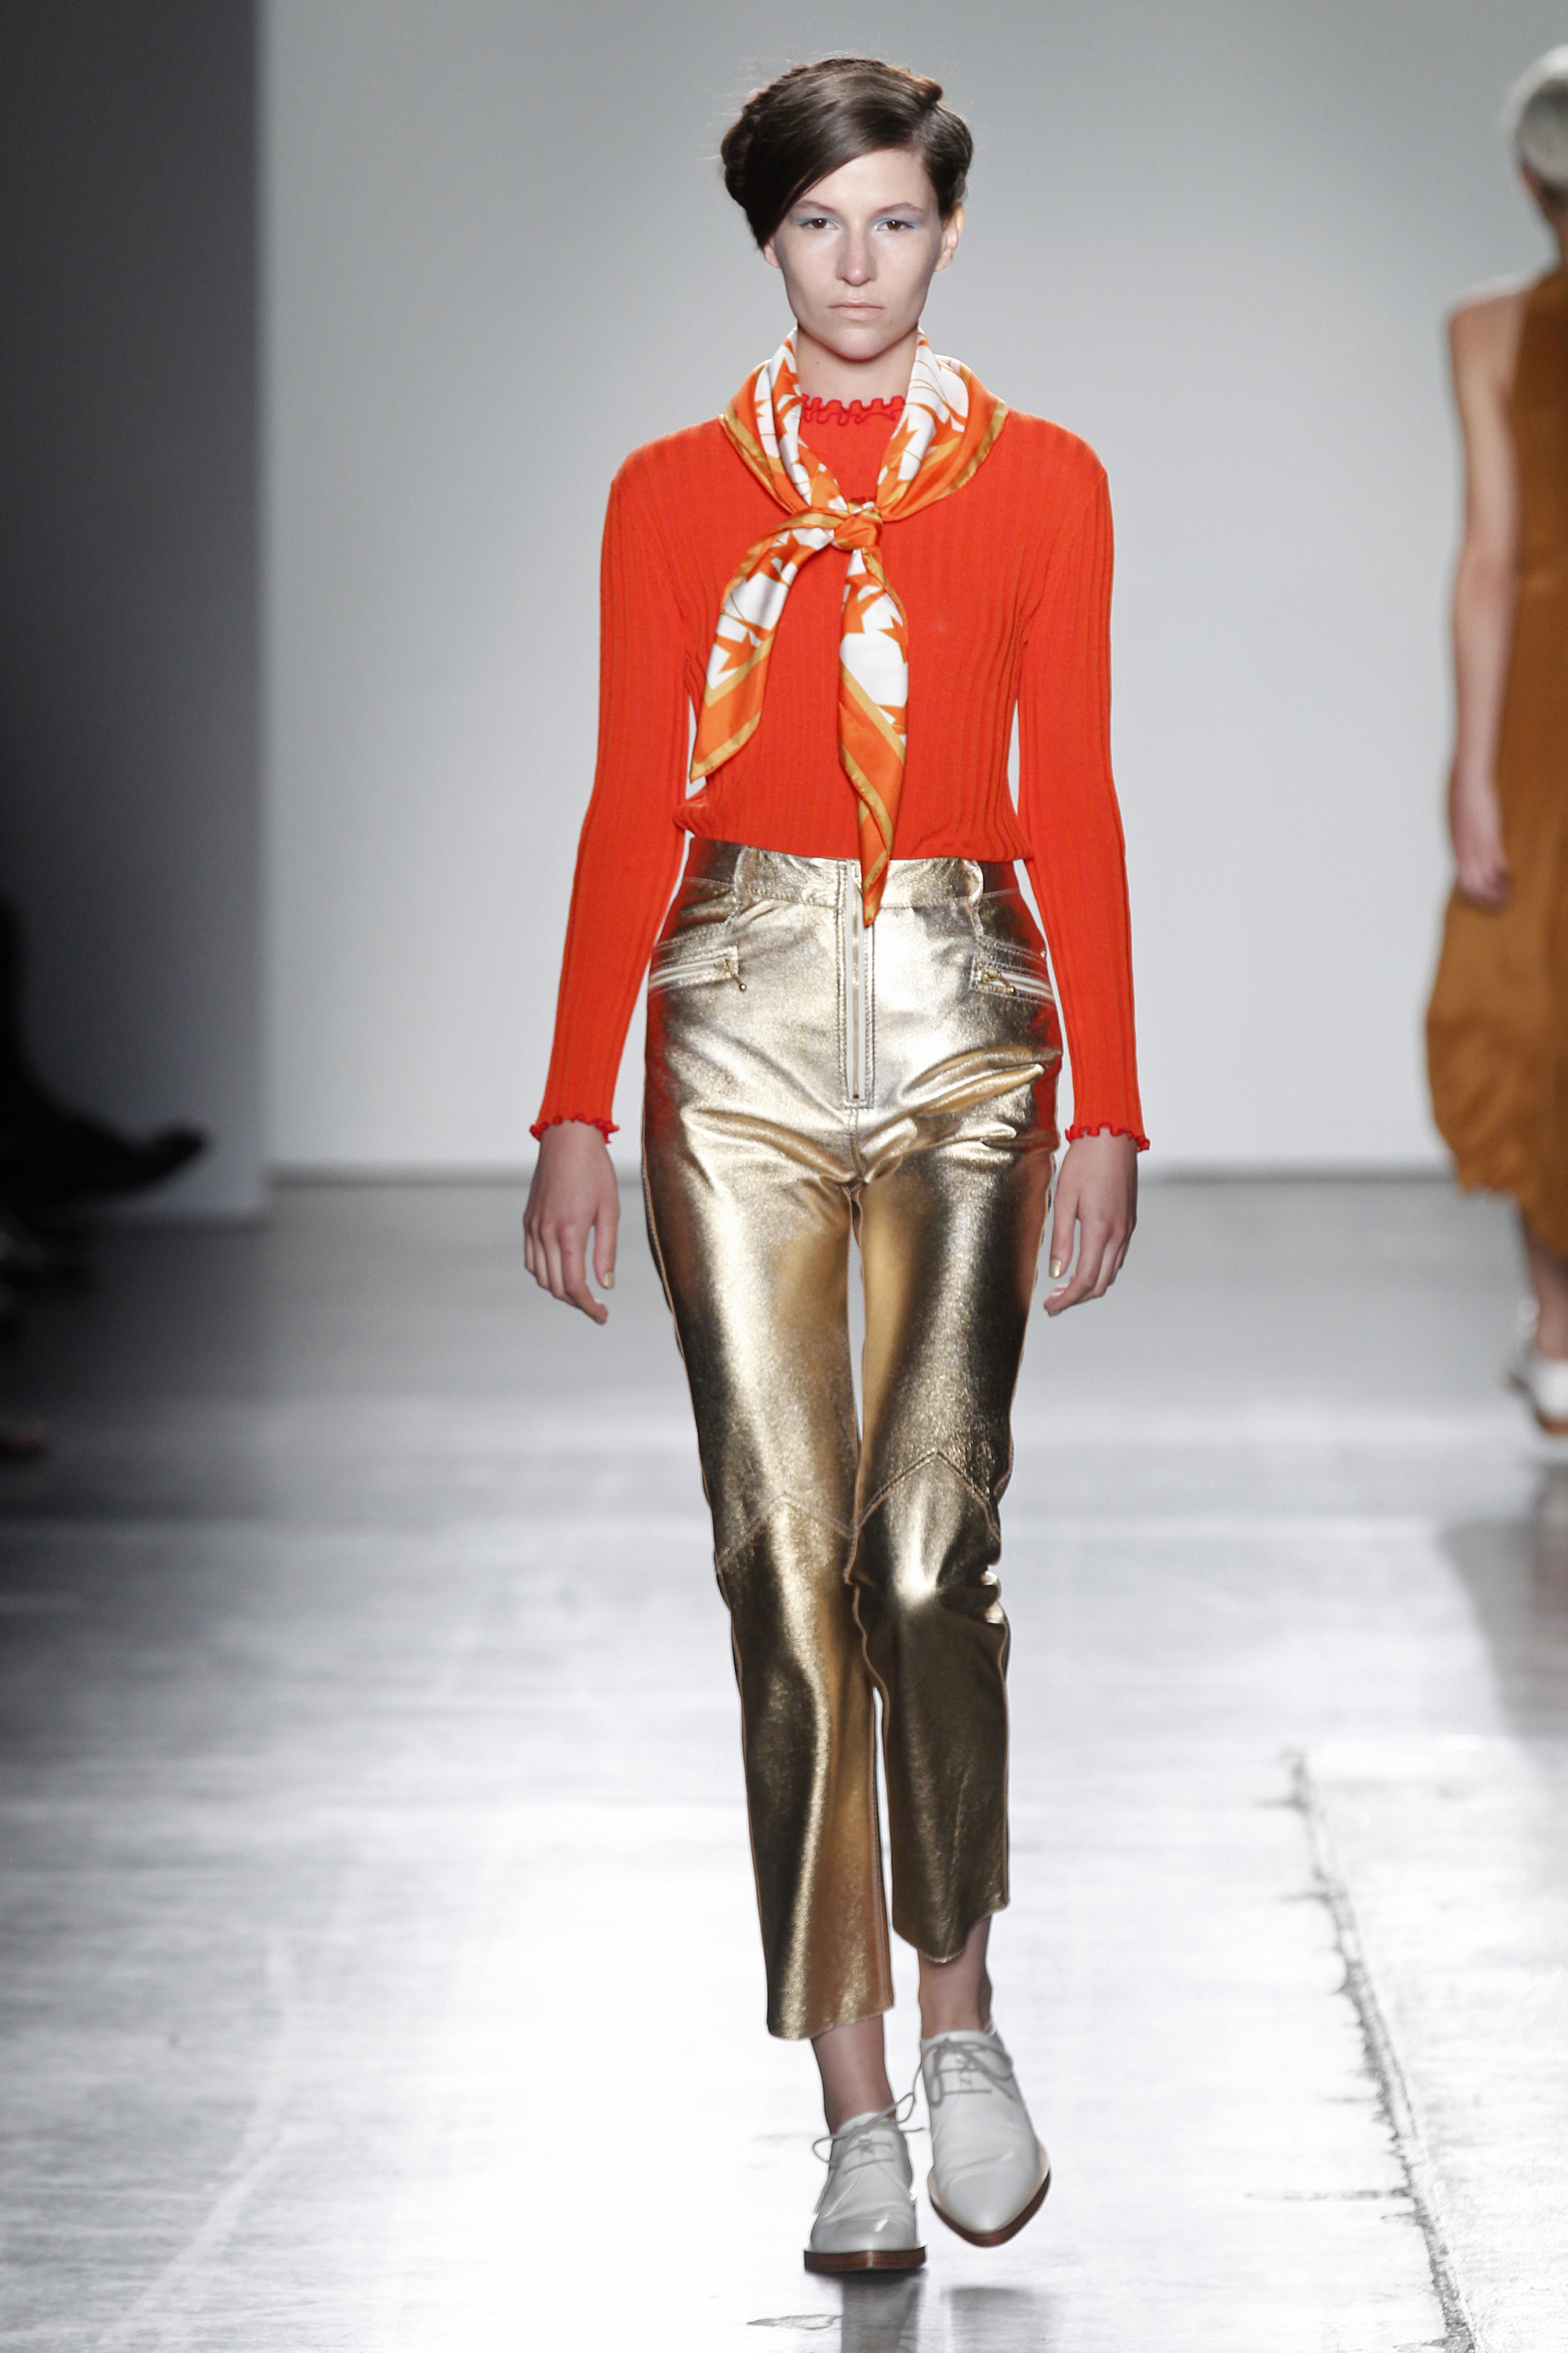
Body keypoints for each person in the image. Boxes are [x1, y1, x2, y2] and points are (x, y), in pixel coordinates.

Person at [524, 56, 1144, 2271]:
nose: (857, 263)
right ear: (768, 241)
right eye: (817, 225)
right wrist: (571, 1106)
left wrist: (1112, 1103)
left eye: (892, 220)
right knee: (779, 1569)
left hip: (974, 1020)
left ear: (947, 230)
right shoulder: (664, 497)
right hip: (734, 1029)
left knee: (924, 1548)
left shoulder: (1048, 483)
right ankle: (857, 2108)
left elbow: (1072, 795)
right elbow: (633, 799)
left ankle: (967, 2025)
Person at [1428, 49, 1568, 1436]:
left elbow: (1492, 556)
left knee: (1532, 994)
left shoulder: (1486, 330)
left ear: (1531, 180)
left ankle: (1560, 1332)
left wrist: (1473, 769)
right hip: (1544, 690)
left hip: (1544, 693)